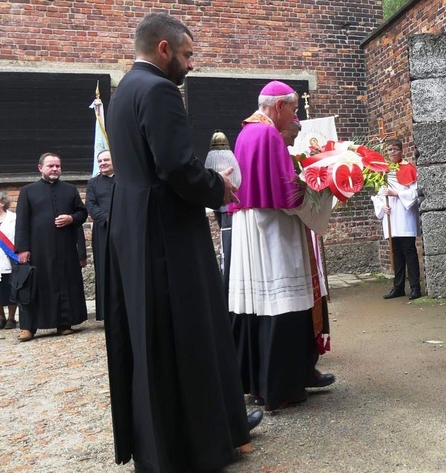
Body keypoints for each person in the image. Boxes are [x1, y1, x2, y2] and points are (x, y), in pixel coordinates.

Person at [104, 13, 261, 473]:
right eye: (188, 54)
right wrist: (217, 187)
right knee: (190, 329)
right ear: (164, 50)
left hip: (133, 224)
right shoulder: (159, 90)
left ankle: (166, 444)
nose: (192, 64)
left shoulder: (121, 92)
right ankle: (203, 439)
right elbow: (175, 166)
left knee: (151, 335)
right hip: (166, 228)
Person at [228, 80, 335, 412]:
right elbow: (287, 193)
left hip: (253, 227)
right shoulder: (269, 134)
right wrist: (324, 189)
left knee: (260, 305)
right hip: (274, 231)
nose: (296, 115)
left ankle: (264, 382)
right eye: (293, 108)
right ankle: (282, 388)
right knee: (284, 300)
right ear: (278, 107)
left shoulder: (247, 131)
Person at [14, 153, 88, 342]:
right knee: (34, 286)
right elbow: (22, 222)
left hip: (65, 248)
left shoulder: (70, 190)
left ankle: (64, 323)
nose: (55, 169)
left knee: (64, 283)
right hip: (38, 249)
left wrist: (71, 218)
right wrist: (22, 248)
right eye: (51, 166)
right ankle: (28, 327)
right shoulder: (28, 191)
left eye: (58, 166)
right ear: (40, 168)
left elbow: (82, 213)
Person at [372, 139, 422, 300]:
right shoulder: (384, 171)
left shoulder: (408, 168)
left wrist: (397, 194)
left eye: (395, 149)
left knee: (409, 251)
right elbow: (379, 194)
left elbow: (414, 193)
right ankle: (398, 287)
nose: (392, 152)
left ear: (401, 150)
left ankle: (415, 287)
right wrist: (381, 207)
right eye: (389, 149)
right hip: (391, 217)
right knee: (396, 253)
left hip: (404, 216)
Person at [85, 149, 115, 320]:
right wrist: (107, 218)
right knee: (104, 268)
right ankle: (106, 313)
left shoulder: (124, 180)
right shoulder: (93, 183)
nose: (103, 163)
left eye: (106, 160)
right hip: (103, 230)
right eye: (100, 161)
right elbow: (90, 204)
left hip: (125, 229)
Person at [0, 192, 18, 330]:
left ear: (2, 203)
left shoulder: (13, 218)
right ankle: (1, 318)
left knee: (11, 290)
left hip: (9, 258)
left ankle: (11, 318)